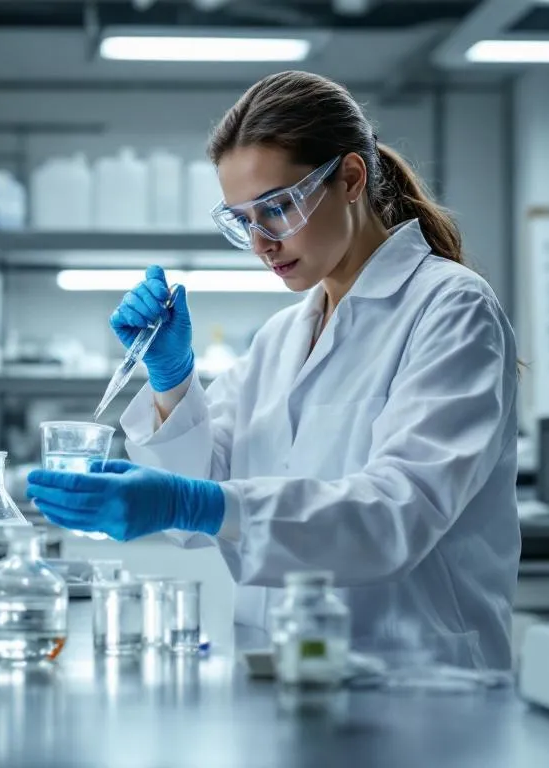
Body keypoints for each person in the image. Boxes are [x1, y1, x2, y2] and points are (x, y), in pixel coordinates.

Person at [26, 70, 520, 670]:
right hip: (278, 673)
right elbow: (204, 496)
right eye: (242, 220)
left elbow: (395, 516)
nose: (261, 242)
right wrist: (171, 380)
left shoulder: (451, 308)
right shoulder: (282, 336)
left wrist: (191, 503)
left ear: (351, 179)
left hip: (414, 679)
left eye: (278, 207)